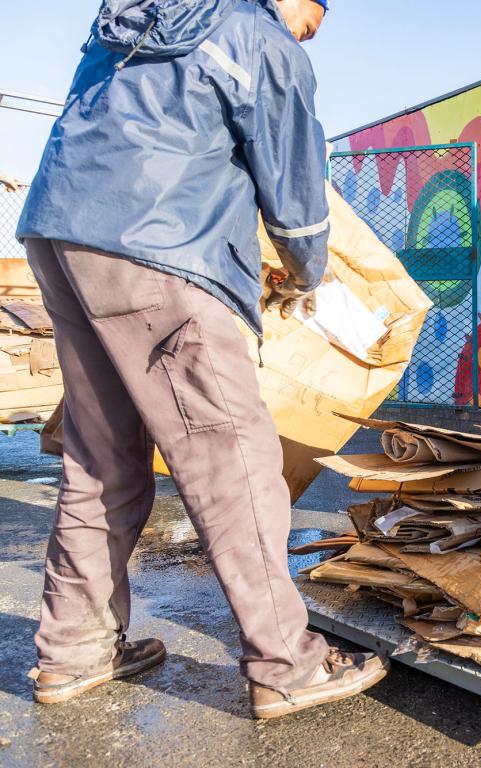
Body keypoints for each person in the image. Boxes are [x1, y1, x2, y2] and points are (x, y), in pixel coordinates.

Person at [17, 0, 388, 719]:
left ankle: (73, 652)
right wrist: (309, 279)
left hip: (62, 232)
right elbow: (298, 202)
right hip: (160, 251)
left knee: (100, 458)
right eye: (317, 13)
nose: (312, 29)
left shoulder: (144, 16)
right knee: (232, 461)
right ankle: (286, 663)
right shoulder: (260, 39)